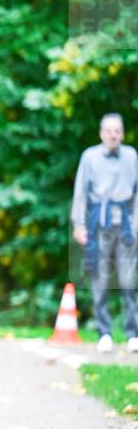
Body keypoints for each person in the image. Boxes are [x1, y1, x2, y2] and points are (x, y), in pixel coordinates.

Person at [71, 113, 138, 354]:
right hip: (99, 225)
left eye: (117, 130)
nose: (113, 135)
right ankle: (104, 333)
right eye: (109, 131)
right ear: (101, 133)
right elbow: (80, 191)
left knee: (128, 281)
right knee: (99, 280)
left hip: (127, 226)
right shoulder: (90, 156)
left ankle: (133, 334)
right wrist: (79, 224)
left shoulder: (131, 156)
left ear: (122, 134)